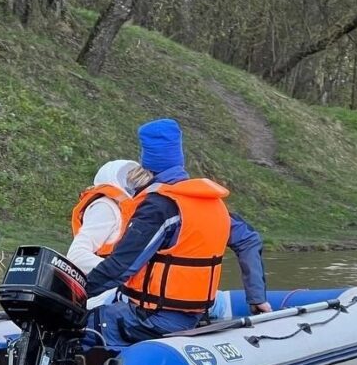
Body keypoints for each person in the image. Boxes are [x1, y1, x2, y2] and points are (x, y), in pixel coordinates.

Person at [83, 118, 271, 348]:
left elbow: (120, 268)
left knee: (76, 325)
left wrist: (78, 292)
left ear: (147, 162)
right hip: (193, 316)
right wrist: (257, 298)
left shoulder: (159, 207)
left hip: (152, 321)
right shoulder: (214, 205)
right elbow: (249, 240)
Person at [67, 159, 153, 274]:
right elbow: (77, 256)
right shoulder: (106, 207)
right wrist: (123, 272)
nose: (135, 189)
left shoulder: (129, 211)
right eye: (131, 182)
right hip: (101, 286)